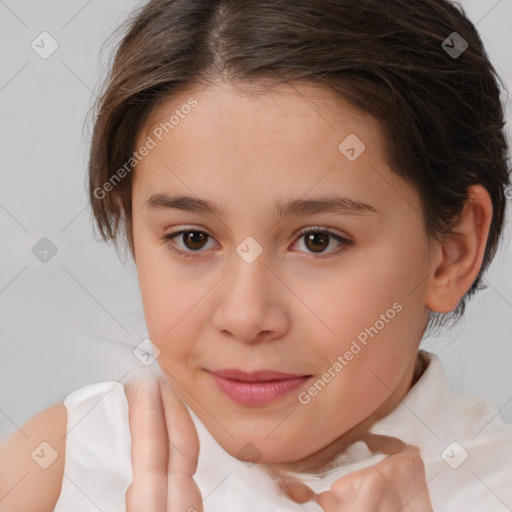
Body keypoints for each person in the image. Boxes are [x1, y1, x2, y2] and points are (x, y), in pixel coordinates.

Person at [1, 0, 511, 510]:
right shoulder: (60, 464)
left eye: (318, 240)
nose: (246, 318)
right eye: (193, 239)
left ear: (451, 251)